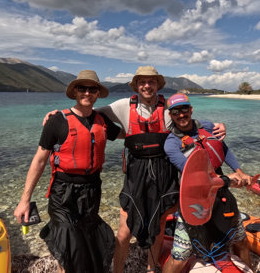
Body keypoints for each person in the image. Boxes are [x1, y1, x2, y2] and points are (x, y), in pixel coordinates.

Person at [42, 66, 226, 272]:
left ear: (158, 85)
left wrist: (215, 125)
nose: (147, 86)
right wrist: (58, 114)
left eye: (151, 82)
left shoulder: (168, 108)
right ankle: (118, 270)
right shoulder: (122, 106)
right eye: (142, 82)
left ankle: (150, 267)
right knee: (124, 232)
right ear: (136, 85)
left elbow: (188, 123)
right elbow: (87, 114)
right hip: (136, 173)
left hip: (164, 172)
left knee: (160, 226)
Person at [14, 70, 122, 273]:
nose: (87, 93)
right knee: (69, 245)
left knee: (89, 241)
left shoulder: (102, 121)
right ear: (75, 92)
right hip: (63, 193)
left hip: (91, 191)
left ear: (98, 93)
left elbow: (126, 134)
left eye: (92, 89)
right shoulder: (57, 120)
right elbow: (39, 161)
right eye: (82, 88)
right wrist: (24, 200)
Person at [161, 93, 253, 273]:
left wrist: (239, 171)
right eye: (175, 111)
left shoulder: (209, 127)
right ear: (170, 115)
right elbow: (195, 173)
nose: (181, 115)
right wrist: (228, 179)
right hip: (194, 201)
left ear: (191, 109)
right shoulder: (171, 144)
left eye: (184, 109)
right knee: (180, 255)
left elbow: (222, 149)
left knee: (241, 241)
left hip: (221, 196)